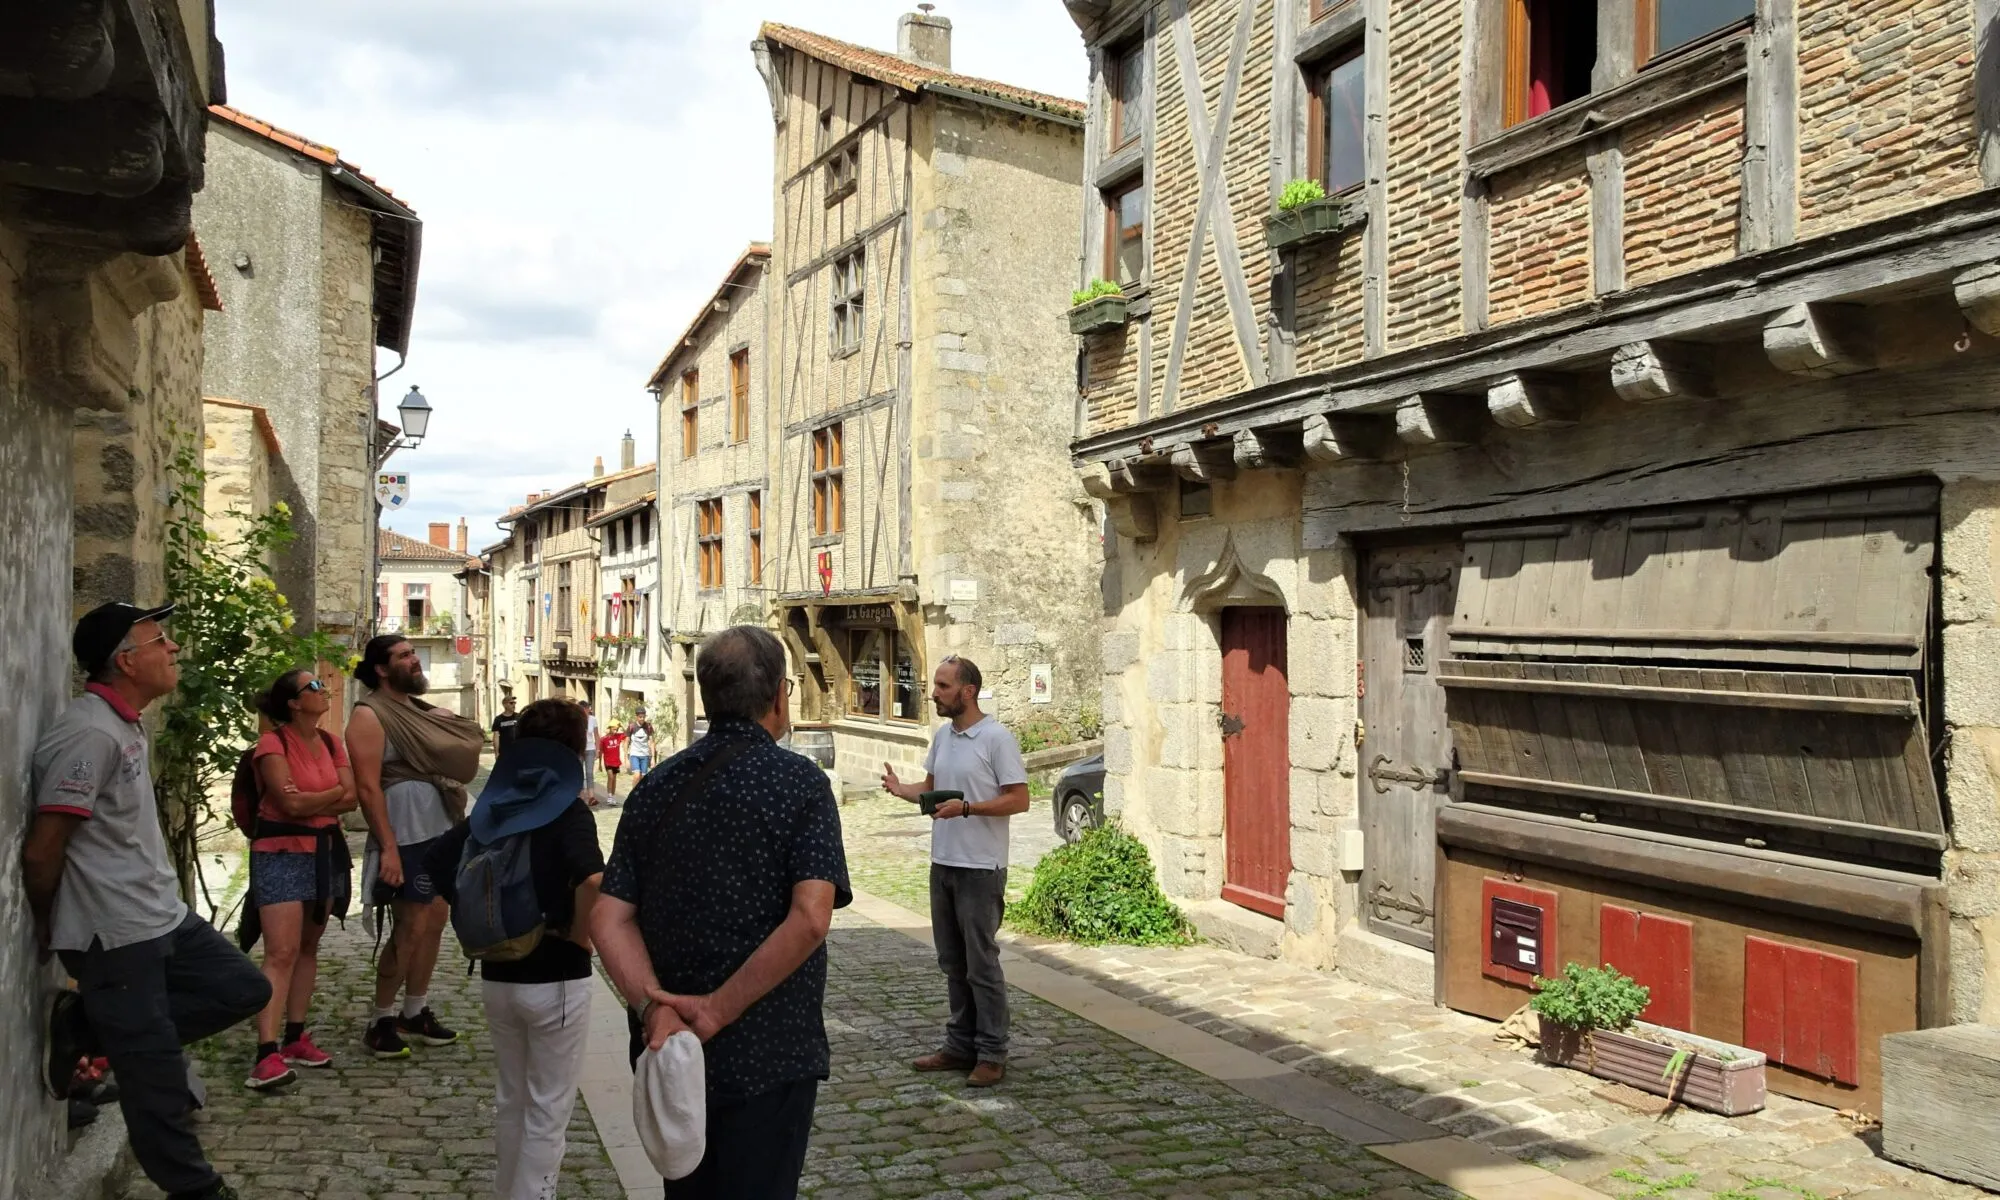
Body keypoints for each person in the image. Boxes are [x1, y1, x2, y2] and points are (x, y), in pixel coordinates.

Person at [24, 603, 271, 1200]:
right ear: (127, 661)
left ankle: (88, 1025)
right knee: (156, 1079)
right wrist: (47, 931)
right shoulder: (89, 733)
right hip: (114, 933)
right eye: (161, 640)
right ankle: (197, 1191)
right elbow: (43, 849)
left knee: (245, 989)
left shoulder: (124, 722)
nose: (174, 649)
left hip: (160, 915)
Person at [593, 625, 850, 1199]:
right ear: (780, 696)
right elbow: (811, 918)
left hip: (669, 1049)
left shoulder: (655, 786)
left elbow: (608, 918)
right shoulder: (798, 782)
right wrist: (714, 1011)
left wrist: (652, 1008)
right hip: (768, 1052)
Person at [425, 699, 604, 1200]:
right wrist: (580, 936)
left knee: (512, 1100)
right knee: (549, 1108)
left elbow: (439, 860)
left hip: (499, 974)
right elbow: (592, 878)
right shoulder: (567, 812)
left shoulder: (495, 807)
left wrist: (476, 916)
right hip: (558, 978)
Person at [880, 655, 1029, 1088]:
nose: (934, 694)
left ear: (968, 691)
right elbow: (929, 792)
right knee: (952, 962)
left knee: (982, 964)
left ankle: (992, 1052)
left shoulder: (997, 738)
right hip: (942, 864)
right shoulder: (943, 736)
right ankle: (960, 1046)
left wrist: (968, 808)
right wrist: (900, 789)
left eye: (944, 687)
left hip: (981, 869)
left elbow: (1019, 799)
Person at [347, 634, 482, 1058]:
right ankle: (380, 1018)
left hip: (438, 829)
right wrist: (388, 848)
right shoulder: (369, 716)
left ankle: (414, 1009)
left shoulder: (414, 709)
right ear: (382, 669)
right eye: (404, 656)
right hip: (404, 835)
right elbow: (368, 789)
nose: (414, 661)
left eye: (413, 654)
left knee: (435, 921)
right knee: (409, 927)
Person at [244, 667, 358, 1090]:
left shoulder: (332, 742)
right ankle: (265, 1053)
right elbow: (288, 806)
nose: (322, 689)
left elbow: (353, 796)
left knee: (309, 946)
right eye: (312, 685)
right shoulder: (272, 743)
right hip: (280, 854)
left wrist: (313, 800)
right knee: (281, 951)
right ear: (293, 702)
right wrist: (328, 798)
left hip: (324, 854)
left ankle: (295, 1036)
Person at [599, 722, 625, 798]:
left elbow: (626, 734)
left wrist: (621, 725)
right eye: (614, 729)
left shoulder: (618, 736)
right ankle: (609, 796)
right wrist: (600, 764)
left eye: (617, 729)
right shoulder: (603, 739)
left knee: (614, 778)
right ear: (609, 728)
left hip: (616, 762)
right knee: (610, 777)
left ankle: (613, 796)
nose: (615, 731)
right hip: (608, 762)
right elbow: (601, 752)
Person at [625, 711, 653, 779]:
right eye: (640, 717)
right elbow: (626, 742)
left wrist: (653, 758)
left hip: (645, 755)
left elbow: (651, 742)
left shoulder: (648, 726)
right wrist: (626, 758)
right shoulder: (632, 726)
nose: (642, 719)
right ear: (636, 717)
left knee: (643, 777)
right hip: (635, 754)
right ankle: (635, 789)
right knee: (637, 775)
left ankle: (641, 789)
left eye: (644, 717)